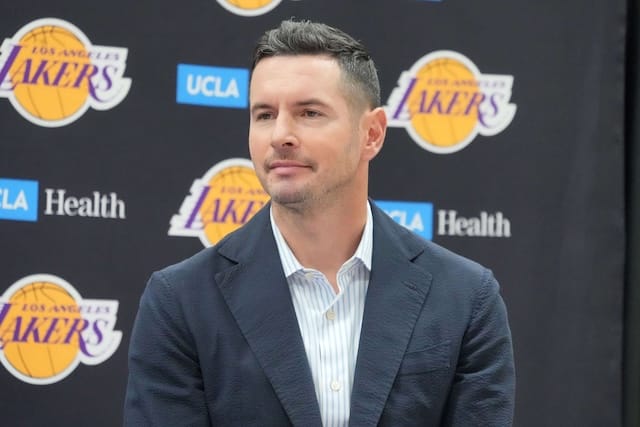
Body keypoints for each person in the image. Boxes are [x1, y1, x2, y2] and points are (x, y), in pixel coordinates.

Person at [124, 19, 515, 426]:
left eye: (309, 113)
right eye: (264, 114)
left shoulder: (466, 297)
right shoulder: (181, 301)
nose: (280, 135)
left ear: (372, 133)